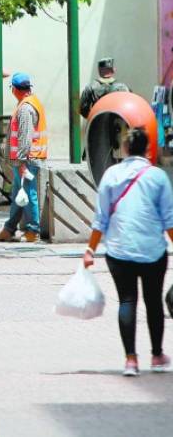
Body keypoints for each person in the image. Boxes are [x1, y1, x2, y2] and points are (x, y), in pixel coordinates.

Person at [83, 128, 173, 376]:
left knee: (127, 300)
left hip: (119, 251)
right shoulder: (157, 177)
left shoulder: (111, 174)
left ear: (124, 149)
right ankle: (156, 356)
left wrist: (90, 248)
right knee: (153, 302)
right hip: (153, 251)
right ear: (147, 149)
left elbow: (100, 217)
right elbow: (169, 220)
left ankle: (131, 360)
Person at [0, 72, 47, 243]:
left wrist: (22, 162)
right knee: (19, 193)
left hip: (27, 159)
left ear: (15, 89)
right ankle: (9, 228)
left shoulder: (25, 108)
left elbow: (24, 137)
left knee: (28, 193)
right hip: (28, 158)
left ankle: (33, 230)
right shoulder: (32, 102)